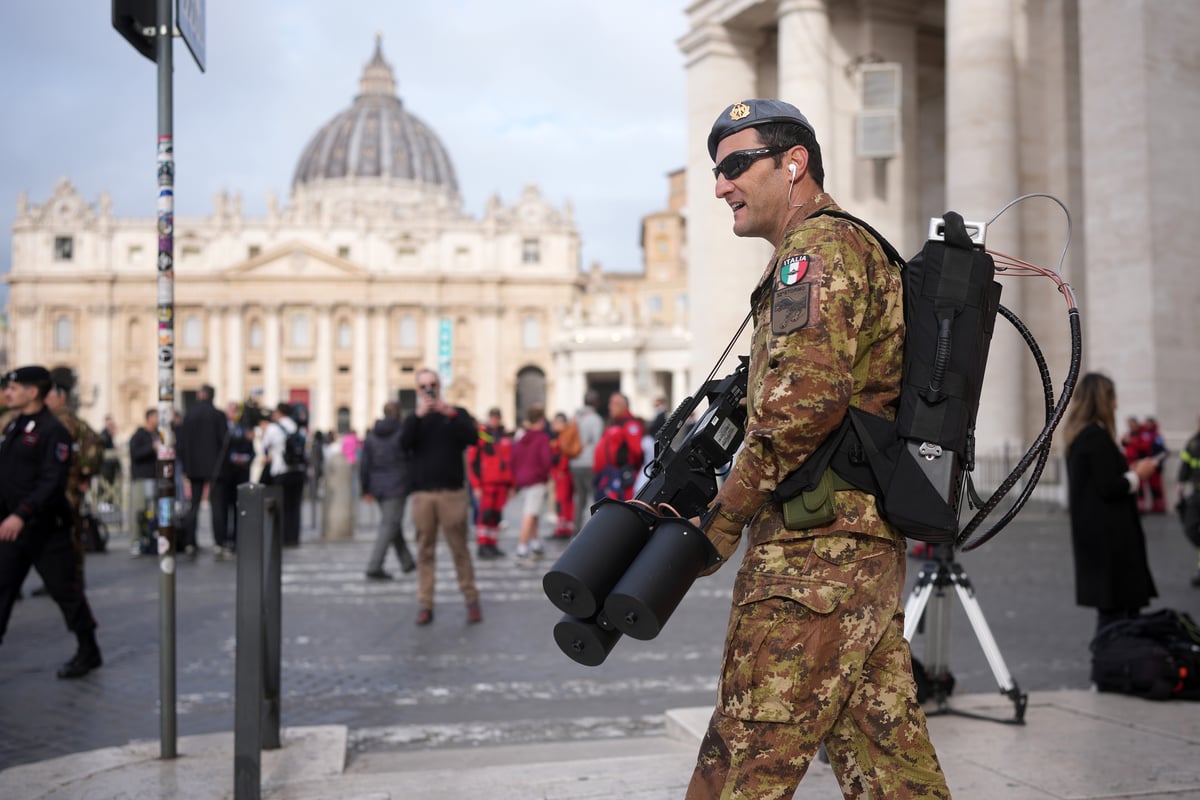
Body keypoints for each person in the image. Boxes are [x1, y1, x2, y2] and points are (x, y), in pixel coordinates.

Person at [686, 99, 949, 798]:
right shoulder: (841, 249)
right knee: (892, 767)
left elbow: (799, 411)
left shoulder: (816, 253)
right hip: (851, 553)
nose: (721, 186)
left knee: (744, 757)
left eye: (737, 165)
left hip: (812, 560)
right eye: (718, 171)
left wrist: (716, 526)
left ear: (793, 164)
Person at [0, 366, 102, 679]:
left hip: (44, 528)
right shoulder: (14, 426)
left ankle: (89, 649)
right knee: (2, 591)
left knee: (66, 591)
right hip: (12, 529)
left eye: (13, 388)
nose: (7, 393)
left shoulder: (52, 430)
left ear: (33, 392)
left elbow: (52, 481)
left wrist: (23, 513)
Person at [1062, 373, 1160, 632]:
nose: (1117, 404)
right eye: (1114, 398)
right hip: (1111, 541)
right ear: (1104, 400)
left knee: (1114, 612)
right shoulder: (1095, 437)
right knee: (1117, 615)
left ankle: (1115, 663)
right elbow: (1108, 487)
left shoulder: (1081, 437)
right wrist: (1138, 476)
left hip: (1098, 539)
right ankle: (1117, 665)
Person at [399, 369, 481, 625]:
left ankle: (471, 599)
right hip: (423, 494)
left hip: (451, 493)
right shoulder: (414, 418)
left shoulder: (456, 414)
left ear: (440, 385)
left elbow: (473, 437)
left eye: (432, 385)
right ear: (417, 390)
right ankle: (425, 604)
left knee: (460, 549)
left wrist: (451, 413)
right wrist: (417, 416)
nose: (429, 390)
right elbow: (402, 445)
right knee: (425, 551)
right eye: (423, 387)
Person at [361, 401, 415, 580]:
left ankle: (407, 562)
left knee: (392, 523)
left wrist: (365, 488)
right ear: (399, 414)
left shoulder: (371, 435)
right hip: (397, 484)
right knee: (389, 525)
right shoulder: (402, 433)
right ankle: (374, 566)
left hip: (377, 485)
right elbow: (410, 459)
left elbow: (365, 464)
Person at [177, 384, 228, 558]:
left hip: (193, 467)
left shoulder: (189, 415)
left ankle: (190, 542)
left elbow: (181, 443)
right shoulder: (218, 415)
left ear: (200, 395)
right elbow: (225, 442)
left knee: (194, 505)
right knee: (217, 507)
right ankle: (219, 543)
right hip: (215, 468)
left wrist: (185, 465)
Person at [209, 402, 255, 560]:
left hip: (240, 475)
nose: (235, 413)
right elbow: (221, 447)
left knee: (238, 509)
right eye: (232, 410)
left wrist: (246, 458)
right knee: (221, 509)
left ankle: (236, 539)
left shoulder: (243, 427)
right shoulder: (221, 427)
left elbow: (251, 449)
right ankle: (222, 540)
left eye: (237, 411)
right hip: (224, 474)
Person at [467, 408, 513, 558]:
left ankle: (492, 544)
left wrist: (511, 485)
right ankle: (482, 545)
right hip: (486, 483)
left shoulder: (503, 436)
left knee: (495, 516)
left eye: (497, 418)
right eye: (492, 417)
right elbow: (472, 462)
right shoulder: (481, 436)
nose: (494, 420)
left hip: (501, 483)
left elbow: (509, 462)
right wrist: (476, 485)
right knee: (485, 515)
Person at [259, 403, 306, 547]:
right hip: (298, 470)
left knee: (281, 506)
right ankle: (293, 537)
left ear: (279, 413)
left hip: (281, 470)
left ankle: (283, 537)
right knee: (295, 506)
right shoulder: (297, 426)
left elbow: (264, 447)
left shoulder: (273, 428)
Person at [511, 404, 552, 565]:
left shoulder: (523, 437)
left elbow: (514, 457)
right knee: (530, 513)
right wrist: (545, 473)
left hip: (524, 478)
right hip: (537, 478)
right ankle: (522, 548)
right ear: (541, 420)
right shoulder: (542, 438)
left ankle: (535, 545)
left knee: (533, 511)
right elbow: (546, 460)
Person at [592, 392, 644, 503]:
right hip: (608, 476)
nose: (610, 406)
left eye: (614, 404)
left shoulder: (630, 425)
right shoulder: (614, 424)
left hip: (622, 477)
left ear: (623, 406)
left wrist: (628, 469)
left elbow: (637, 452)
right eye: (610, 403)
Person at [128, 408, 161, 556]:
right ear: (149, 418)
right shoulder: (139, 435)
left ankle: (151, 538)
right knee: (139, 511)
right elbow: (135, 453)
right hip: (141, 478)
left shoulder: (159, 434)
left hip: (155, 477)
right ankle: (136, 540)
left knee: (154, 511)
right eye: (156, 417)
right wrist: (151, 447)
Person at [569, 391, 603, 530]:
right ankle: (593, 529)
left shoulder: (576, 417)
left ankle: (576, 529)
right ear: (596, 403)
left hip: (575, 462)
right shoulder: (595, 419)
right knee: (593, 497)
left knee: (579, 498)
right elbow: (598, 442)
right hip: (589, 462)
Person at [1177, 416, 1200, 588]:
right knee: (1191, 528)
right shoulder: (1193, 443)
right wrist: (1180, 482)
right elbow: (1185, 463)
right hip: (1197, 493)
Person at [549, 412, 580, 538]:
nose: (554, 425)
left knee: (564, 501)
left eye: (556, 422)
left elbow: (564, 455)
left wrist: (561, 470)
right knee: (563, 500)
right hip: (560, 473)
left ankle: (563, 528)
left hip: (563, 473)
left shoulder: (564, 436)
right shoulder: (560, 436)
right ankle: (563, 527)